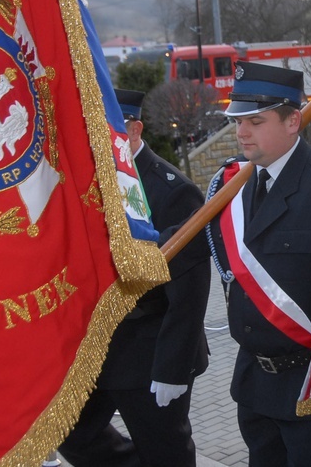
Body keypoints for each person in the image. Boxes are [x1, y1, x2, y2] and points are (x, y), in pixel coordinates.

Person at [205, 61, 311, 466]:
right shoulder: (235, 187)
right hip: (254, 387)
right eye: (237, 120)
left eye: (255, 120)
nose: (241, 131)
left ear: (292, 121)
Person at [58, 89, 211, 467]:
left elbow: (189, 293)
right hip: (98, 346)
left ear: (136, 128)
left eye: (112, 127)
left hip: (151, 349)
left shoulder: (171, 190)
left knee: (165, 450)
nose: (100, 137)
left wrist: (172, 368)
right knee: (70, 432)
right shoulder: (92, 181)